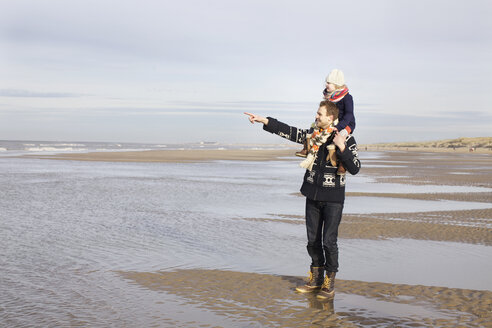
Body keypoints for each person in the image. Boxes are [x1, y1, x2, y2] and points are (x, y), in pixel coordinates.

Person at [244, 101, 361, 300]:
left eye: (319, 114)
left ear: (330, 117)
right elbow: (289, 132)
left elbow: (355, 168)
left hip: (333, 199)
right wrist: (265, 121)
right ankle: (315, 279)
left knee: (329, 242)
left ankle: (328, 284)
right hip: (312, 196)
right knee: (312, 241)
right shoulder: (312, 135)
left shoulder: (345, 138)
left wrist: (342, 147)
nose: (316, 117)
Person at [296, 69, 356, 176]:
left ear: (337, 84)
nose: (326, 85)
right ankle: (306, 148)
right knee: (313, 128)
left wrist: (340, 126)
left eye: (329, 83)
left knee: (340, 138)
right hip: (333, 122)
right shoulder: (329, 97)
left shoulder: (347, 97)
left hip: (346, 124)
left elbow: (349, 115)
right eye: (326, 82)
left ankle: (342, 163)